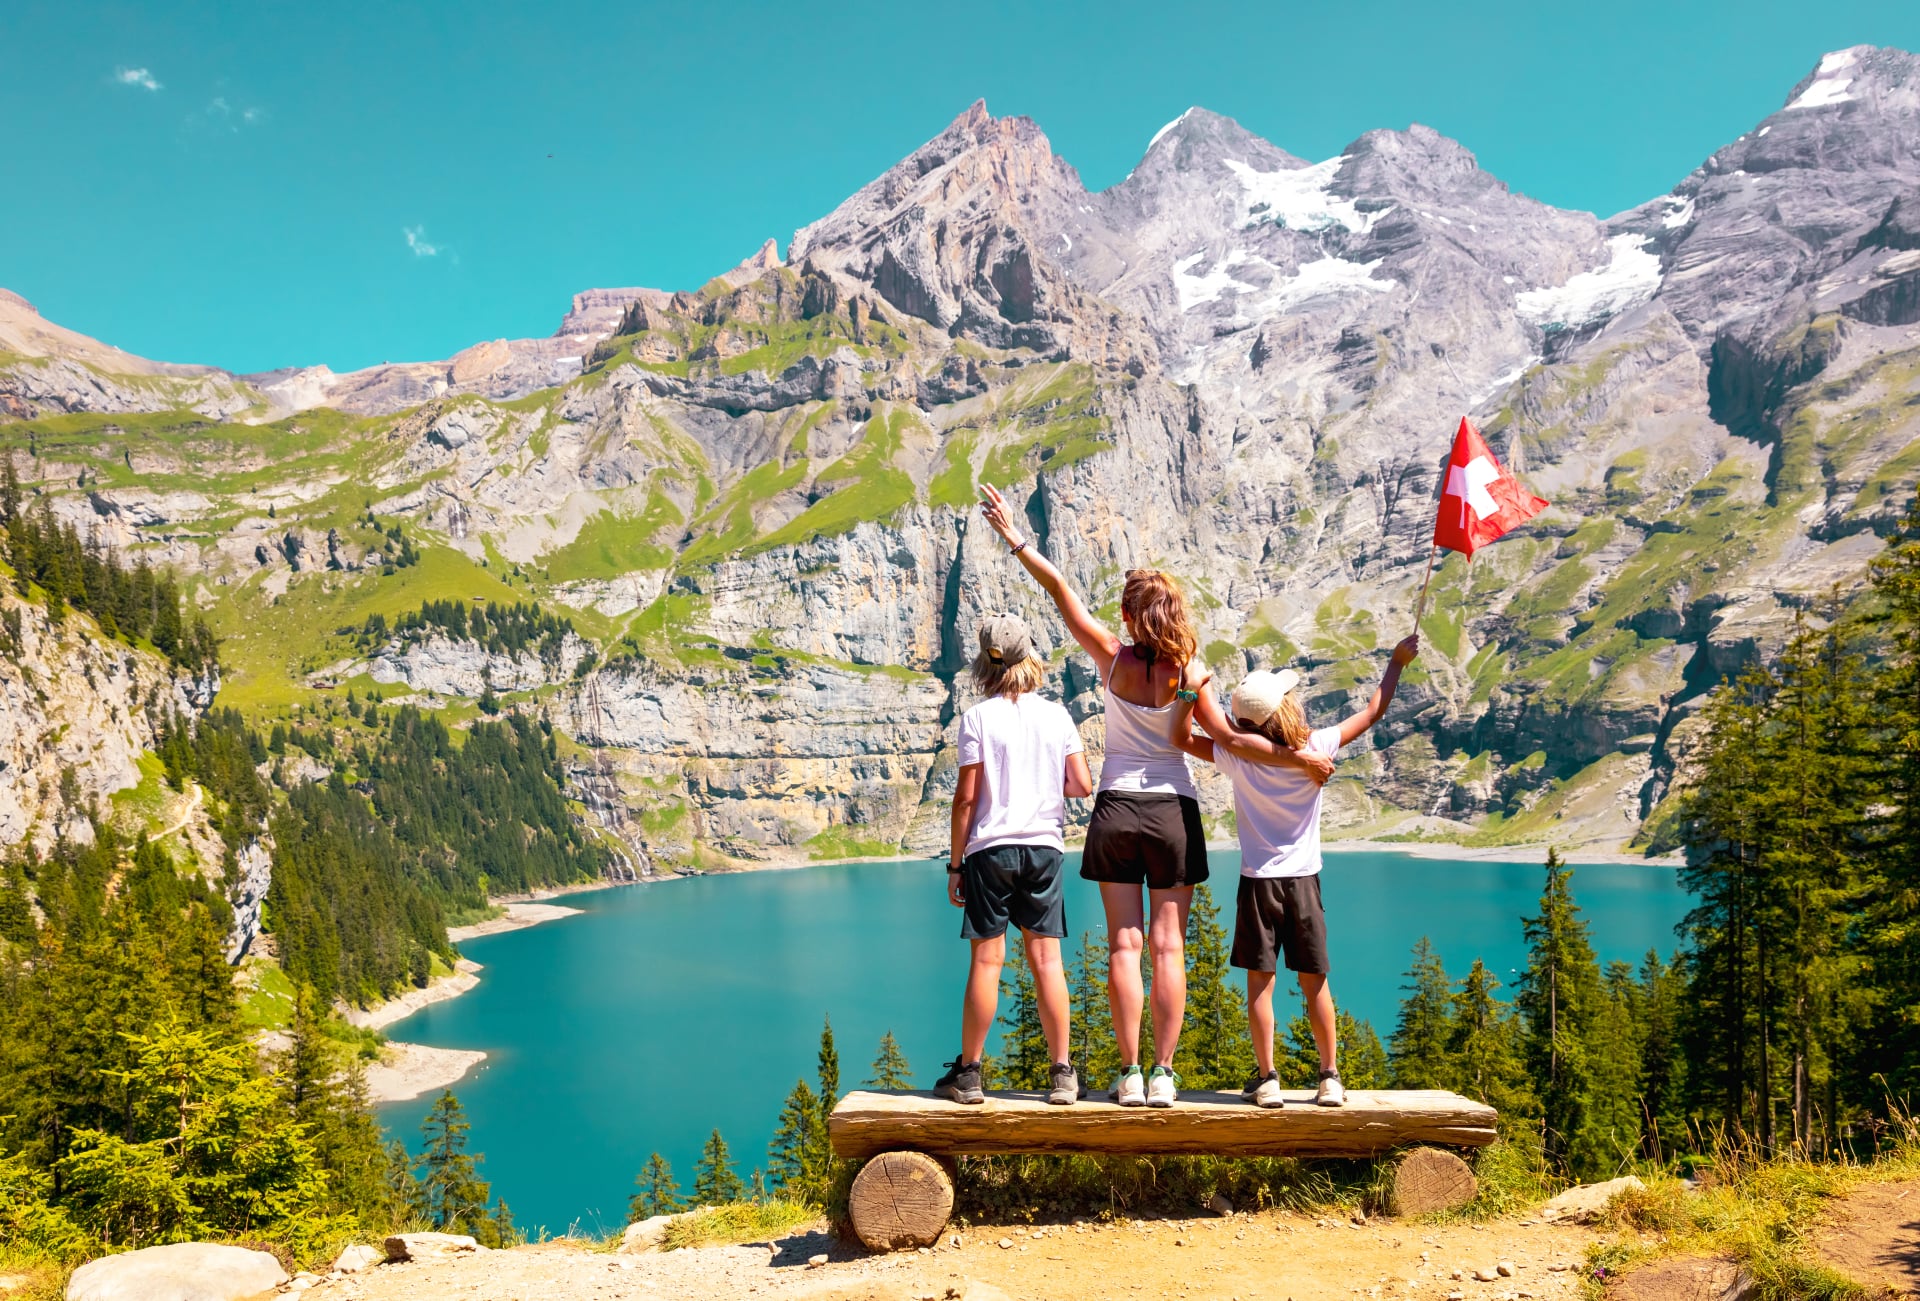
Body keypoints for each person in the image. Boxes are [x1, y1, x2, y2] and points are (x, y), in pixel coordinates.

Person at [977, 483, 1334, 1107]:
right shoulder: (1190, 671)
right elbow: (1226, 740)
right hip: (1174, 812)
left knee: (1125, 945)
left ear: (1130, 617)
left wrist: (1016, 540)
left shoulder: (1111, 660)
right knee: (1169, 948)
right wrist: (1299, 757)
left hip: (1114, 811)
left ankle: (1131, 1072)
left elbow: (1060, 592)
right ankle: (1165, 1075)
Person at [1170, 636, 1419, 1108]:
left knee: (1260, 985)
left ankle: (1268, 1079)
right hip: (1304, 880)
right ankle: (1330, 1077)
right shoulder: (1317, 748)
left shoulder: (1239, 756)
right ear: (1284, 711)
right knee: (1314, 981)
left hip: (1258, 882)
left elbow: (1182, 739)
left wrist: (1190, 692)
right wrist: (1395, 663)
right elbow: (1372, 712)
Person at [933, 612, 1094, 1107]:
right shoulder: (1058, 715)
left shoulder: (978, 718)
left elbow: (966, 798)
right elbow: (1081, 785)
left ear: (987, 662)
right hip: (1044, 847)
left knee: (987, 960)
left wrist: (956, 864)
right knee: (1047, 960)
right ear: (1031, 657)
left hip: (989, 849)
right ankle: (1062, 1074)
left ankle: (970, 1074)